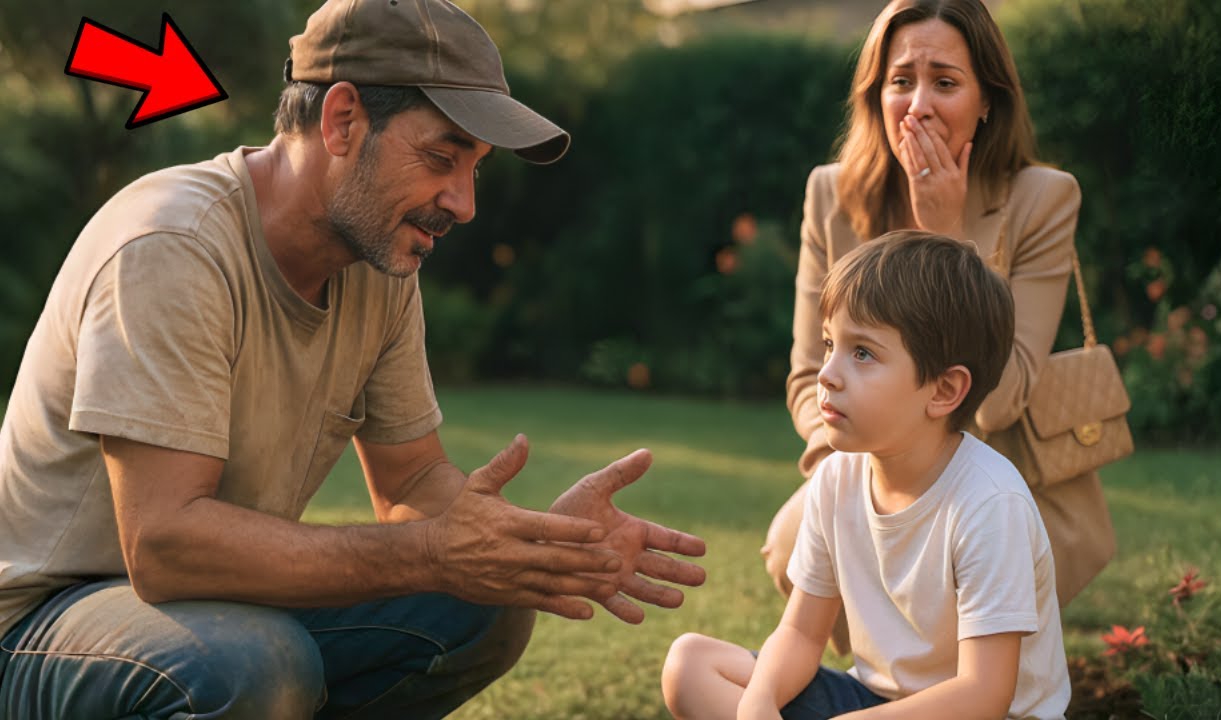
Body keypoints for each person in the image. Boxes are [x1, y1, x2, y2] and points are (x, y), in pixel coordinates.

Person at [0, 1, 706, 717]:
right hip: (41, 622)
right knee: (254, 664)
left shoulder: (378, 262)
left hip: (205, 608)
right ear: (341, 121)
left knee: (481, 608)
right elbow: (165, 545)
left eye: (476, 169)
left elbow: (412, 480)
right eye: (441, 157)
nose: (462, 204)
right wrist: (433, 553)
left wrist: (535, 543)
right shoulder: (174, 247)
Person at [762, 0, 1115, 656]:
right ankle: (887, 679)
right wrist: (834, 475)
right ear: (876, 94)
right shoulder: (833, 195)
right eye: (901, 80)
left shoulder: (1043, 198)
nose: (918, 105)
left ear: (987, 101)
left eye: (945, 82)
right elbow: (811, 374)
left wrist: (947, 236)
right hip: (870, 466)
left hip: (996, 473)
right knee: (790, 541)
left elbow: (1001, 396)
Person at [663, 232, 1070, 719]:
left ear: (943, 390)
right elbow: (802, 633)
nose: (828, 373)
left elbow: (984, 694)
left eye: (862, 353)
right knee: (691, 663)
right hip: (876, 703)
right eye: (831, 343)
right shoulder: (836, 481)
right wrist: (760, 701)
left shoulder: (988, 503)